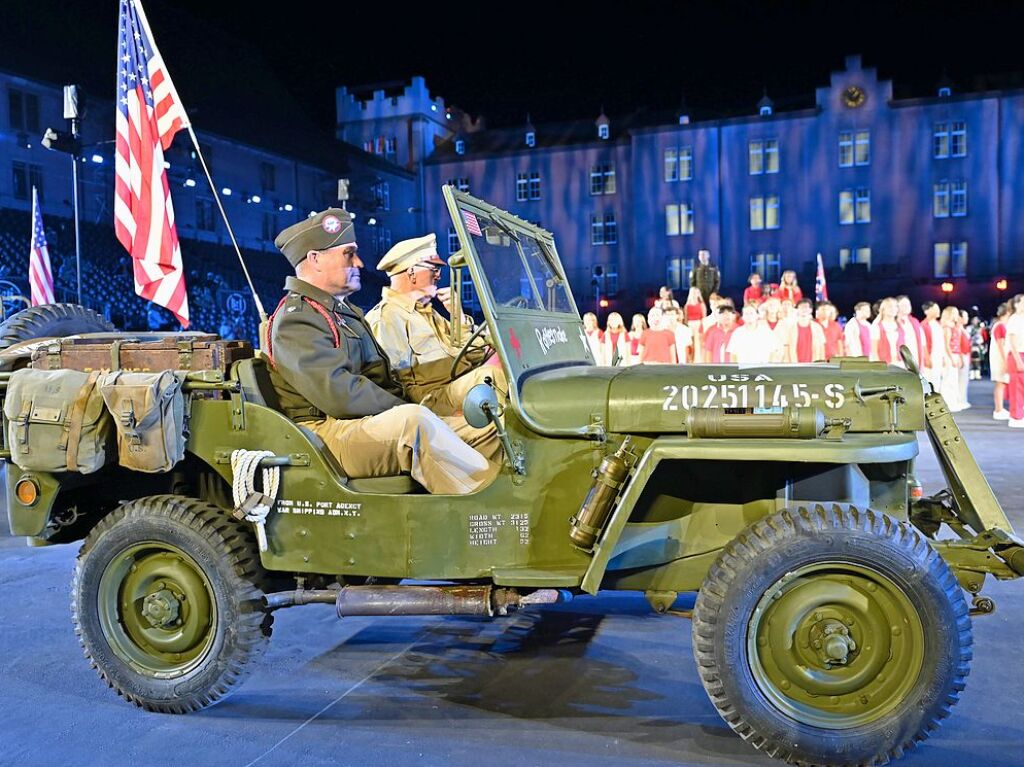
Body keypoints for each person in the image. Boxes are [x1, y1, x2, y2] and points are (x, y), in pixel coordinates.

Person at [266, 209, 499, 495]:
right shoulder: (297, 318)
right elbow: (341, 396)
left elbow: (379, 376)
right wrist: (409, 409)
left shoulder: (342, 313)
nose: (360, 263)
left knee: (487, 430)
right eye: (349, 254)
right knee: (414, 424)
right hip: (321, 434)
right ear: (315, 259)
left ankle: (514, 500)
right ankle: (491, 510)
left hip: (355, 421)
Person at [366, 234, 506, 417]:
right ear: (412, 273)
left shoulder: (429, 313)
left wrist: (458, 315)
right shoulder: (387, 317)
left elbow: (476, 353)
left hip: (456, 385)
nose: (439, 275)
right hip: (431, 402)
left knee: (503, 362)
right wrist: (429, 418)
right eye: (434, 268)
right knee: (491, 376)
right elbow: (395, 386)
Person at [938, 305, 965, 411]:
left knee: (953, 380)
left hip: (955, 354)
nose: (956, 315)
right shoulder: (947, 326)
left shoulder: (953, 325)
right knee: (948, 379)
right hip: (949, 354)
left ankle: (952, 402)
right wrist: (951, 357)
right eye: (954, 313)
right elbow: (946, 344)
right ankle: (947, 403)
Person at [1005, 293, 1024, 428]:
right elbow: (1012, 342)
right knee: (1016, 387)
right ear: (1017, 304)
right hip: (1017, 354)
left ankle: (1020, 413)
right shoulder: (1014, 319)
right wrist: (1018, 360)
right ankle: (1015, 417)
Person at [990, 303, 1010, 420]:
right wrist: (1006, 361)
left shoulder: (1000, 325)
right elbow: (1001, 345)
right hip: (1000, 359)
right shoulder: (1000, 326)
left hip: (999, 358)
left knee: (1001, 384)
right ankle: (998, 409)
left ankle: (1000, 409)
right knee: (1000, 384)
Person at [873, 297, 906, 367]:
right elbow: (874, 351)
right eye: (890, 306)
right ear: (883, 310)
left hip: (901, 364)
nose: (893, 309)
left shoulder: (901, 326)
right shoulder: (877, 327)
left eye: (895, 306)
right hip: (885, 365)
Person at [896, 296, 925, 369]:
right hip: (900, 360)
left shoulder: (915, 321)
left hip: (915, 357)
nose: (906, 307)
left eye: (908, 304)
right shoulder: (893, 322)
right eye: (903, 305)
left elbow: (922, 342)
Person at [920, 301, 942, 390]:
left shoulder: (938, 324)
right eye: (935, 309)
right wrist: (927, 358)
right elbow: (923, 344)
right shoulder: (924, 325)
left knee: (937, 380)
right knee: (929, 380)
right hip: (930, 356)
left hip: (938, 357)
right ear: (927, 311)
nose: (938, 311)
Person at [683, 287, 707, 361]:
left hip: (699, 325)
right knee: (691, 343)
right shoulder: (687, 306)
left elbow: (704, 317)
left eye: (696, 292)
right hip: (690, 325)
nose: (694, 294)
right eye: (693, 292)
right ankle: (691, 359)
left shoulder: (702, 304)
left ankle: (698, 360)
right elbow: (686, 319)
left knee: (698, 343)